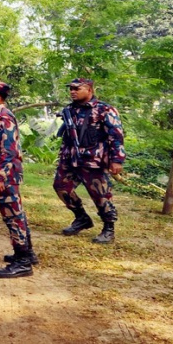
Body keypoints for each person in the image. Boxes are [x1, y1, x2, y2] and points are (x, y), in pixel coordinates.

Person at [54, 78, 125, 244]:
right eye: (71, 88)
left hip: (93, 160)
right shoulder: (69, 109)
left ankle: (109, 228)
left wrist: (117, 160)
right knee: (61, 187)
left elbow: (116, 135)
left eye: (77, 88)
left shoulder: (104, 109)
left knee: (100, 195)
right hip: (70, 158)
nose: (72, 91)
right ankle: (81, 218)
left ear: (89, 90)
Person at [0, 81, 36, 278]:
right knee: (14, 214)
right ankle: (27, 253)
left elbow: (9, 151)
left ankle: (23, 262)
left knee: (13, 216)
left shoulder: (2, 117)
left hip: (4, 177)